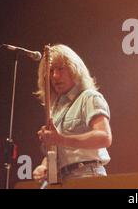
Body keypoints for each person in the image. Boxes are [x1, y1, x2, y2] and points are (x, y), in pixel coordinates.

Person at [32, 44, 112, 182]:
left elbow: (104, 137)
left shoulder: (89, 97)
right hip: (64, 179)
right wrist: (44, 166)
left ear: (75, 70)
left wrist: (60, 139)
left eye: (61, 69)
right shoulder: (55, 108)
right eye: (51, 71)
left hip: (88, 176)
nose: (55, 76)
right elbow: (59, 149)